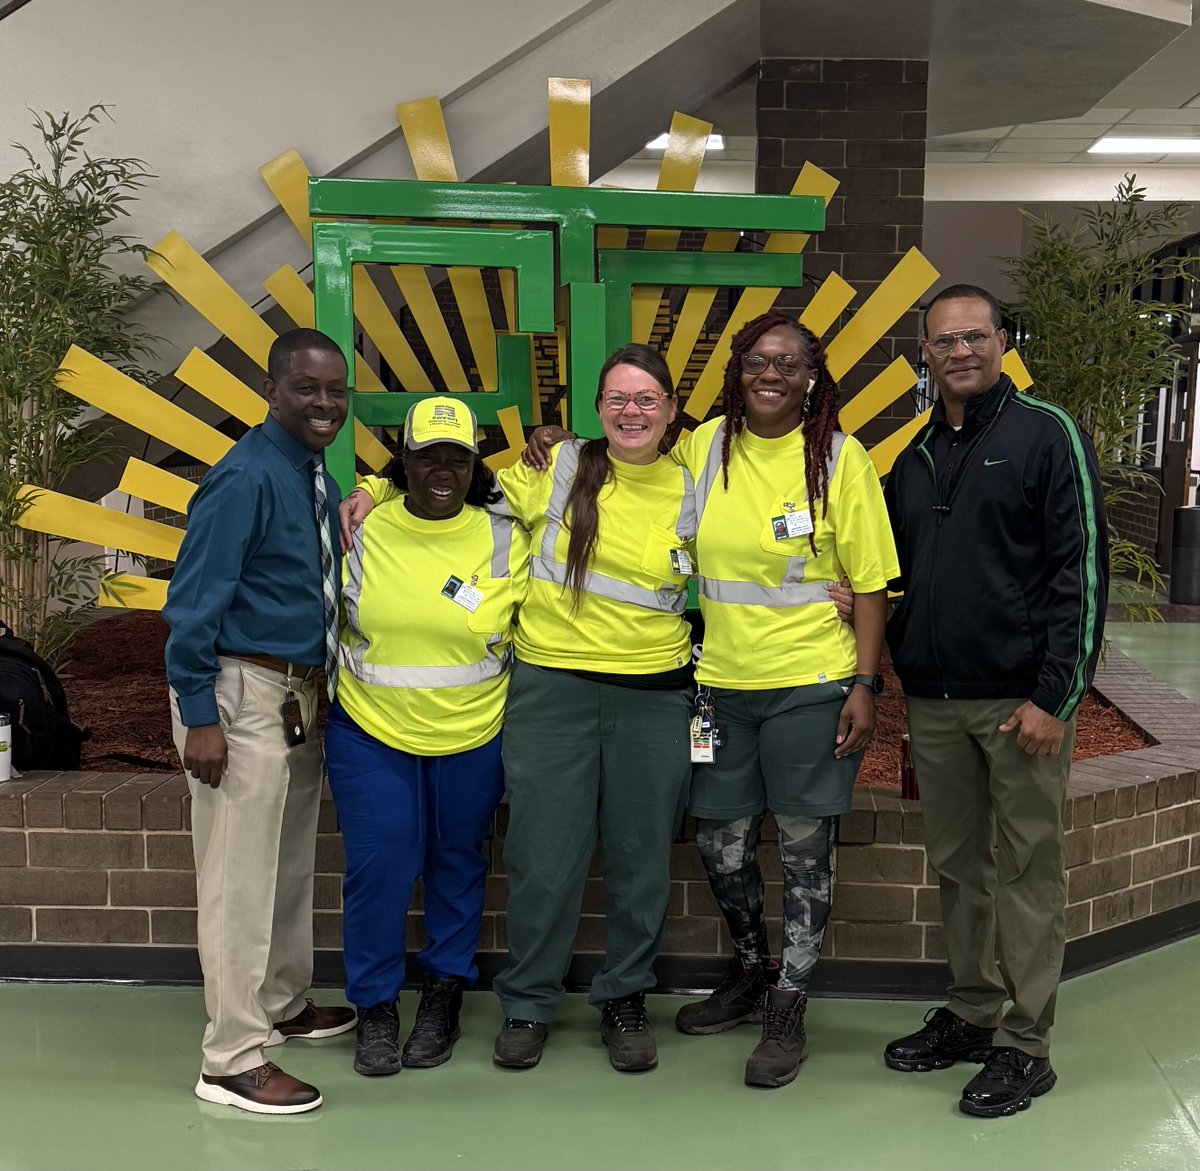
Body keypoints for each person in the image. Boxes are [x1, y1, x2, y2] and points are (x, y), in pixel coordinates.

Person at [527, 313, 898, 1089]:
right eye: (759, 360)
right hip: (719, 686)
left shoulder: (839, 457)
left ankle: (790, 1004)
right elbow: (633, 463)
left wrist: (865, 682)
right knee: (721, 843)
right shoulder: (705, 446)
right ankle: (754, 969)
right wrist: (552, 441)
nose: (772, 373)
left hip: (810, 681)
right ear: (736, 370)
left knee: (802, 850)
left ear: (811, 377)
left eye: (789, 364)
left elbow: (868, 581)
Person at [341, 345, 696, 1074]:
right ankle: (529, 1001)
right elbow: (451, 488)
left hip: (654, 694)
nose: (632, 412)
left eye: (647, 399)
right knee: (542, 857)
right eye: (618, 399)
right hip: (554, 691)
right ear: (597, 410)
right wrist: (373, 491)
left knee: (640, 857)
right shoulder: (556, 469)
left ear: (671, 408)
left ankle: (625, 996)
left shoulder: (698, 483)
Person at [880, 284, 1108, 1118]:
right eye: (945, 341)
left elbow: (1077, 573)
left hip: (1021, 705)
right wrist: (874, 610)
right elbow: (908, 572)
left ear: (1003, 341)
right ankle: (973, 1010)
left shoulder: (1047, 435)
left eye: (977, 336)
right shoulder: (915, 454)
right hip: (937, 700)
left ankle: (1025, 1042)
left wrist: (1058, 694)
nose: (961, 351)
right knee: (959, 867)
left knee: (1025, 870)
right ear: (926, 354)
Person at [164, 328, 357, 1116]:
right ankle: (231, 1058)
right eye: (307, 388)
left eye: (335, 390)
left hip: (293, 697)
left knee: (284, 865)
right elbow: (192, 604)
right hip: (241, 694)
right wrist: (200, 714)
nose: (324, 403)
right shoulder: (243, 476)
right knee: (238, 880)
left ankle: (278, 1001)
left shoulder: (308, 470)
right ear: (272, 390)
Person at [324, 397, 528, 1078]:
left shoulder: (506, 532)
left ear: (474, 464)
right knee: (380, 865)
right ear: (403, 460)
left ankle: (444, 992)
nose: (443, 468)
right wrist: (367, 490)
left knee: (458, 862)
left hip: (473, 729)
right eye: (427, 454)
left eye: (457, 456)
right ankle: (376, 1005)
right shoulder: (361, 526)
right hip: (370, 728)